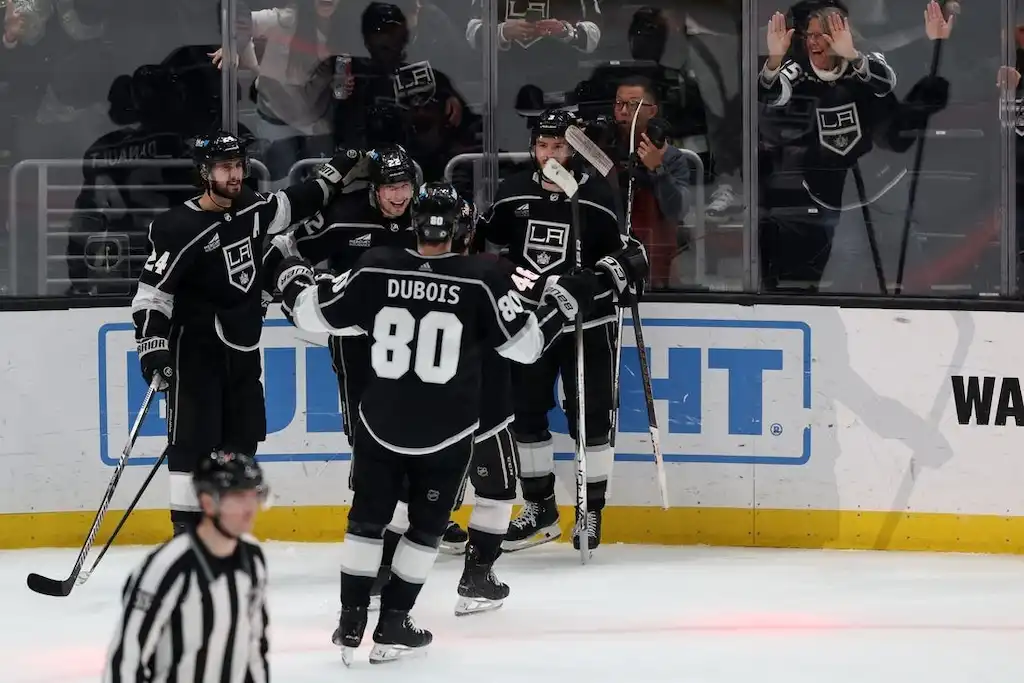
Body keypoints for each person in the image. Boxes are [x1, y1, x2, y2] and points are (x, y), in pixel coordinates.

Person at [271, 181, 621, 663]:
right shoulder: (482, 276)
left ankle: (350, 622)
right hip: (447, 429)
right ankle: (394, 624)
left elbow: (312, 315)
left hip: (380, 422)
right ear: (462, 228)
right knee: (425, 528)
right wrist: (565, 302)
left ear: (415, 224)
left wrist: (287, 268)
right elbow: (525, 346)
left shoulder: (376, 266)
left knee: (366, 521)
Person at [131, 130, 366, 536]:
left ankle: (225, 525)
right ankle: (186, 533)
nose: (235, 174)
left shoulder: (253, 208)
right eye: (225, 167)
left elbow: (294, 203)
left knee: (243, 439)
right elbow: (152, 296)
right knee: (191, 444)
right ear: (205, 172)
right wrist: (152, 348)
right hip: (196, 351)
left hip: (242, 347)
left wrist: (338, 169)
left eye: (238, 165)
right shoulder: (176, 226)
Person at [263, 144, 472, 551]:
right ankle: (371, 514)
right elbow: (284, 249)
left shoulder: (427, 214)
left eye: (405, 185)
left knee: (424, 424)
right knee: (366, 430)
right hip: (358, 342)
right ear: (373, 187)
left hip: (418, 342)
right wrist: (290, 285)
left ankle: (427, 512)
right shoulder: (342, 217)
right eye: (389, 186)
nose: (399, 195)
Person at [475, 108, 622, 553]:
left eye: (559, 145)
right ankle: (540, 510)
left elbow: (623, 257)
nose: (550, 153)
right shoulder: (513, 190)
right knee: (526, 414)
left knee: (590, 417)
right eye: (543, 145)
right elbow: (485, 242)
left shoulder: (597, 194)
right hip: (530, 324)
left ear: (575, 148)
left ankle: (590, 510)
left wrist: (603, 275)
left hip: (588, 323)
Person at [102, 451, 271, 683]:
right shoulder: (167, 566)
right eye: (238, 498)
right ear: (208, 502)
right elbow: (125, 661)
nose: (250, 509)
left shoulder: (253, 559)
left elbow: (254, 648)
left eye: (254, 496)